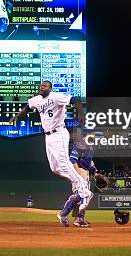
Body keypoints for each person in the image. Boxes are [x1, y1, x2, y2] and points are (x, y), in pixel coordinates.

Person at [10, 81, 92, 227]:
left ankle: (84, 190)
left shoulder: (56, 97)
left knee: (65, 163)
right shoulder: (36, 100)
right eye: (41, 86)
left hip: (59, 133)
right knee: (55, 168)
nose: (42, 87)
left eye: (45, 86)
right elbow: (27, 107)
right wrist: (17, 116)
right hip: (48, 137)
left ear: (50, 88)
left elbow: (76, 100)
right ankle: (79, 188)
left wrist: (81, 115)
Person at [68, 129, 96, 227]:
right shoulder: (79, 145)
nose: (92, 136)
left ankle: (80, 218)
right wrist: (79, 174)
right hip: (79, 171)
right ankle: (77, 219)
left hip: (86, 172)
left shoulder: (90, 146)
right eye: (91, 134)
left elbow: (89, 160)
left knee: (84, 196)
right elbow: (72, 160)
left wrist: (94, 168)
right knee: (81, 196)